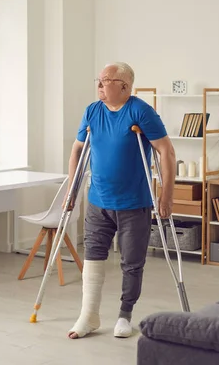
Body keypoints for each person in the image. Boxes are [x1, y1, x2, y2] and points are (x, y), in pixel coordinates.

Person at [66, 62, 176, 339]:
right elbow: (77, 149)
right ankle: (88, 315)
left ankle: (125, 315)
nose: (99, 86)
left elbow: (166, 151)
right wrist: (73, 189)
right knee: (92, 256)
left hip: (134, 203)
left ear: (124, 86)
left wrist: (167, 195)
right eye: (99, 80)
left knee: (132, 262)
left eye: (105, 81)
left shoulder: (141, 111)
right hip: (98, 201)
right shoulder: (92, 111)